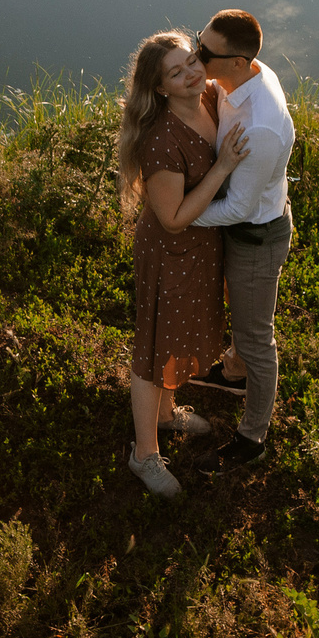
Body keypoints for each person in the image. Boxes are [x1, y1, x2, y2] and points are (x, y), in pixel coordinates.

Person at [115, 29, 252, 497]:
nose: (192, 72)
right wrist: (223, 168)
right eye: (177, 71)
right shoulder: (161, 141)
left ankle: (169, 413)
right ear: (160, 88)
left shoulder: (211, 97)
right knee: (155, 348)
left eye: (193, 60)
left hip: (204, 245)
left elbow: (248, 66)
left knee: (182, 332)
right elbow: (171, 219)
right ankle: (144, 455)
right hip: (171, 251)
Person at [185, 8, 295, 468]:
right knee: (241, 313)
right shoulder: (241, 76)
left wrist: (180, 217)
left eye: (204, 52)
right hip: (242, 229)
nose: (196, 54)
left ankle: (252, 438)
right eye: (198, 40)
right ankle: (232, 374)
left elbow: (238, 210)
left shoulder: (261, 125)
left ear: (235, 61)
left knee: (256, 337)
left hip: (254, 236)